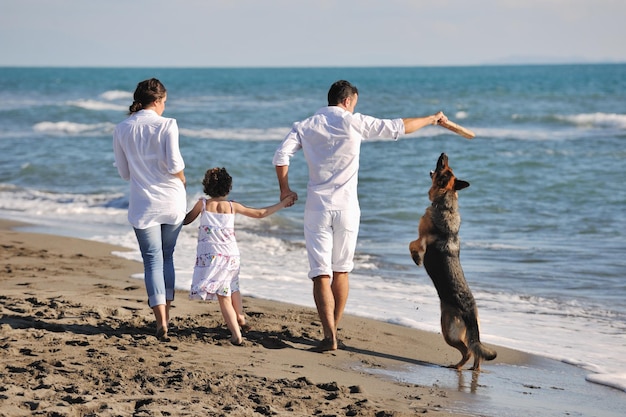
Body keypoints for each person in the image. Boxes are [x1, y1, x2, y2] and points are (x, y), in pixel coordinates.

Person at [273, 79, 448, 352]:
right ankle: (333, 331)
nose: (354, 108)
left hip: (317, 208)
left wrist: (285, 190)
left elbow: (281, 156)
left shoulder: (305, 126)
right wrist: (431, 119)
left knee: (321, 274)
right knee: (340, 270)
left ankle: (329, 335)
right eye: (354, 103)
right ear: (347, 101)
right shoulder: (353, 122)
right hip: (347, 209)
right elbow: (399, 127)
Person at [183, 167, 295, 345]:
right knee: (233, 285)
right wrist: (283, 203)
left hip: (212, 256)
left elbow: (185, 220)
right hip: (232, 254)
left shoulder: (202, 204)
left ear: (206, 187)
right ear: (228, 187)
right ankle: (240, 317)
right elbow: (260, 213)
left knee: (223, 296)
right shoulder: (232, 206)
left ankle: (236, 334)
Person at [113, 78, 187, 341]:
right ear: (157, 101)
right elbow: (175, 164)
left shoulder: (122, 128)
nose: (165, 107)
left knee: (152, 260)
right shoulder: (168, 125)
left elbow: (124, 173)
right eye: (164, 102)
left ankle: (160, 321)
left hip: (143, 204)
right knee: (167, 256)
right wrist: (183, 178)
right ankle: (168, 314)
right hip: (172, 200)